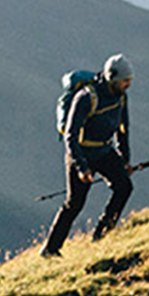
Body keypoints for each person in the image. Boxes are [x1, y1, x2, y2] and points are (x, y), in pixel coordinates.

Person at [43, 53, 134, 257]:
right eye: (125, 81)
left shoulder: (121, 97)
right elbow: (70, 136)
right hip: (81, 153)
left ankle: (102, 234)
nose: (128, 84)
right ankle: (50, 249)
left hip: (104, 150)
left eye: (129, 80)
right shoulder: (86, 97)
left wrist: (125, 159)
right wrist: (82, 167)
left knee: (124, 187)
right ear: (112, 78)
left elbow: (122, 129)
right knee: (75, 203)